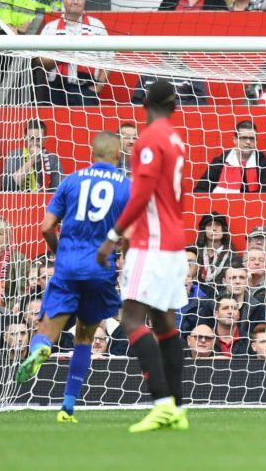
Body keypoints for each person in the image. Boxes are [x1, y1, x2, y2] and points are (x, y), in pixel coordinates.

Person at [13, 132, 131, 423]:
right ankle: (67, 406)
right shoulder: (127, 187)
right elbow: (128, 235)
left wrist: (59, 254)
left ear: (92, 153)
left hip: (68, 265)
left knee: (47, 326)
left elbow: (45, 227)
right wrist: (122, 260)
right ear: (118, 155)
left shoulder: (71, 181)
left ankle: (40, 348)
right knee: (85, 336)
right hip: (100, 268)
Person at [96, 81, 190, 432]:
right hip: (174, 242)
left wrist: (112, 236)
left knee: (132, 319)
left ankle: (161, 403)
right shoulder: (178, 140)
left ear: (145, 103)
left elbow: (142, 194)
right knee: (165, 325)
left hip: (151, 244)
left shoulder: (149, 140)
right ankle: (178, 409)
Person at [36, 0, 112, 106]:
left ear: (84, 1)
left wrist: (98, 87)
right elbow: (39, 61)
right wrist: (63, 55)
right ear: (63, 1)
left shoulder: (96, 26)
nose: (75, 2)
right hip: (55, 91)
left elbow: (108, 59)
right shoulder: (51, 28)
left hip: (86, 91)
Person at [194, 119, 266, 193]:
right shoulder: (219, 162)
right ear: (235, 140)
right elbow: (200, 191)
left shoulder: (265, 164)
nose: (248, 142)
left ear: (256, 141)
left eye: (252, 138)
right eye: (243, 138)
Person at [3, 119, 63, 192]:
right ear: (25, 138)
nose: (34, 142)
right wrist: (32, 160)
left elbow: (58, 190)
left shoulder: (52, 159)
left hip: (44, 202)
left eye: (38, 139)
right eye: (31, 138)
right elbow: (7, 186)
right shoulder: (15, 155)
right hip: (19, 201)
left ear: (45, 140)